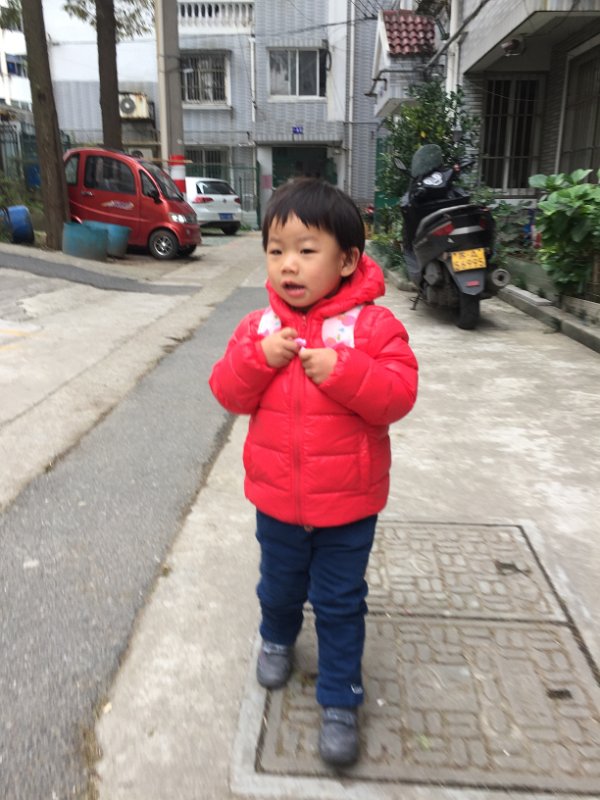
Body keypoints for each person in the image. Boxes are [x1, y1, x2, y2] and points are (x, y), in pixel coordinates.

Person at [209, 178, 418, 767]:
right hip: (277, 501)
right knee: (277, 586)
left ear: (347, 260)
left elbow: (398, 395)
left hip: (348, 507)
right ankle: (276, 639)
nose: (288, 265)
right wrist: (258, 360)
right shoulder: (257, 329)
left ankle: (340, 698)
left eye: (306, 250)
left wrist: (345, 371)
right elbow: (226, 391)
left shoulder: (371, 329)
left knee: (339, 602)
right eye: (276, 251)